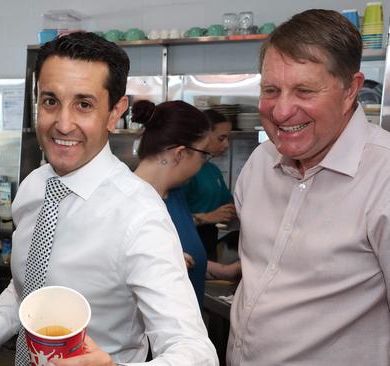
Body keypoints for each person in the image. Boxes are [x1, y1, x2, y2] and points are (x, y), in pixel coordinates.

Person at [0, 32, 218, 366]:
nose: (63, 123)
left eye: (84, 105)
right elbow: (26, 289)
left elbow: (195, 352)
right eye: (50, 101)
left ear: (115, 113)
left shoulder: (138, 215)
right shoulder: (33, 188)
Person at [228, 9, 390, 365]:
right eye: (271, 90)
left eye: (304, 90)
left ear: (351, 90)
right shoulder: (258, 164)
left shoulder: (383, 176)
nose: (282, 111)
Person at [132, 99, 212, 307]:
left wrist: (225, 270)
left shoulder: (175, 193)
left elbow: (190, 260)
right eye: (204, 154)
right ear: (180, 153)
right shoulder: (126, 203)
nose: (203, 164)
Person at [183, 109, 237, 262]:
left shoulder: (212, 170)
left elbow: (227, 204)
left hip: (208, 243)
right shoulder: (186, 172)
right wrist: (206, 217)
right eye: (221, 138)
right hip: (186, 244)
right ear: (204, 136)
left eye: (228, 139)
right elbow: (169, 217)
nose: (226, 144)